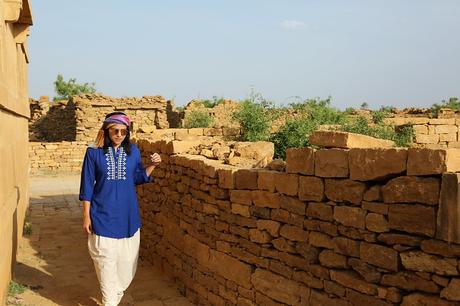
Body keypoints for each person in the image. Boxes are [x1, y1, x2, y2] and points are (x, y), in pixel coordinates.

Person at [79, 111, 161, 306]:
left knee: (126, 266)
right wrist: (86, 216)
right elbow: (87, 187)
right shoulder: (93, 153)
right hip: (101, 215)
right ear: (106, 131)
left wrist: (153, 165)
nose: (119, 135)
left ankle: (113, 296)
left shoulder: (133, 152)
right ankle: (110, 302)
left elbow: (138, 178)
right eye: (115, 130)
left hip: (128, 217)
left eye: (124, 131)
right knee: (105, 262)